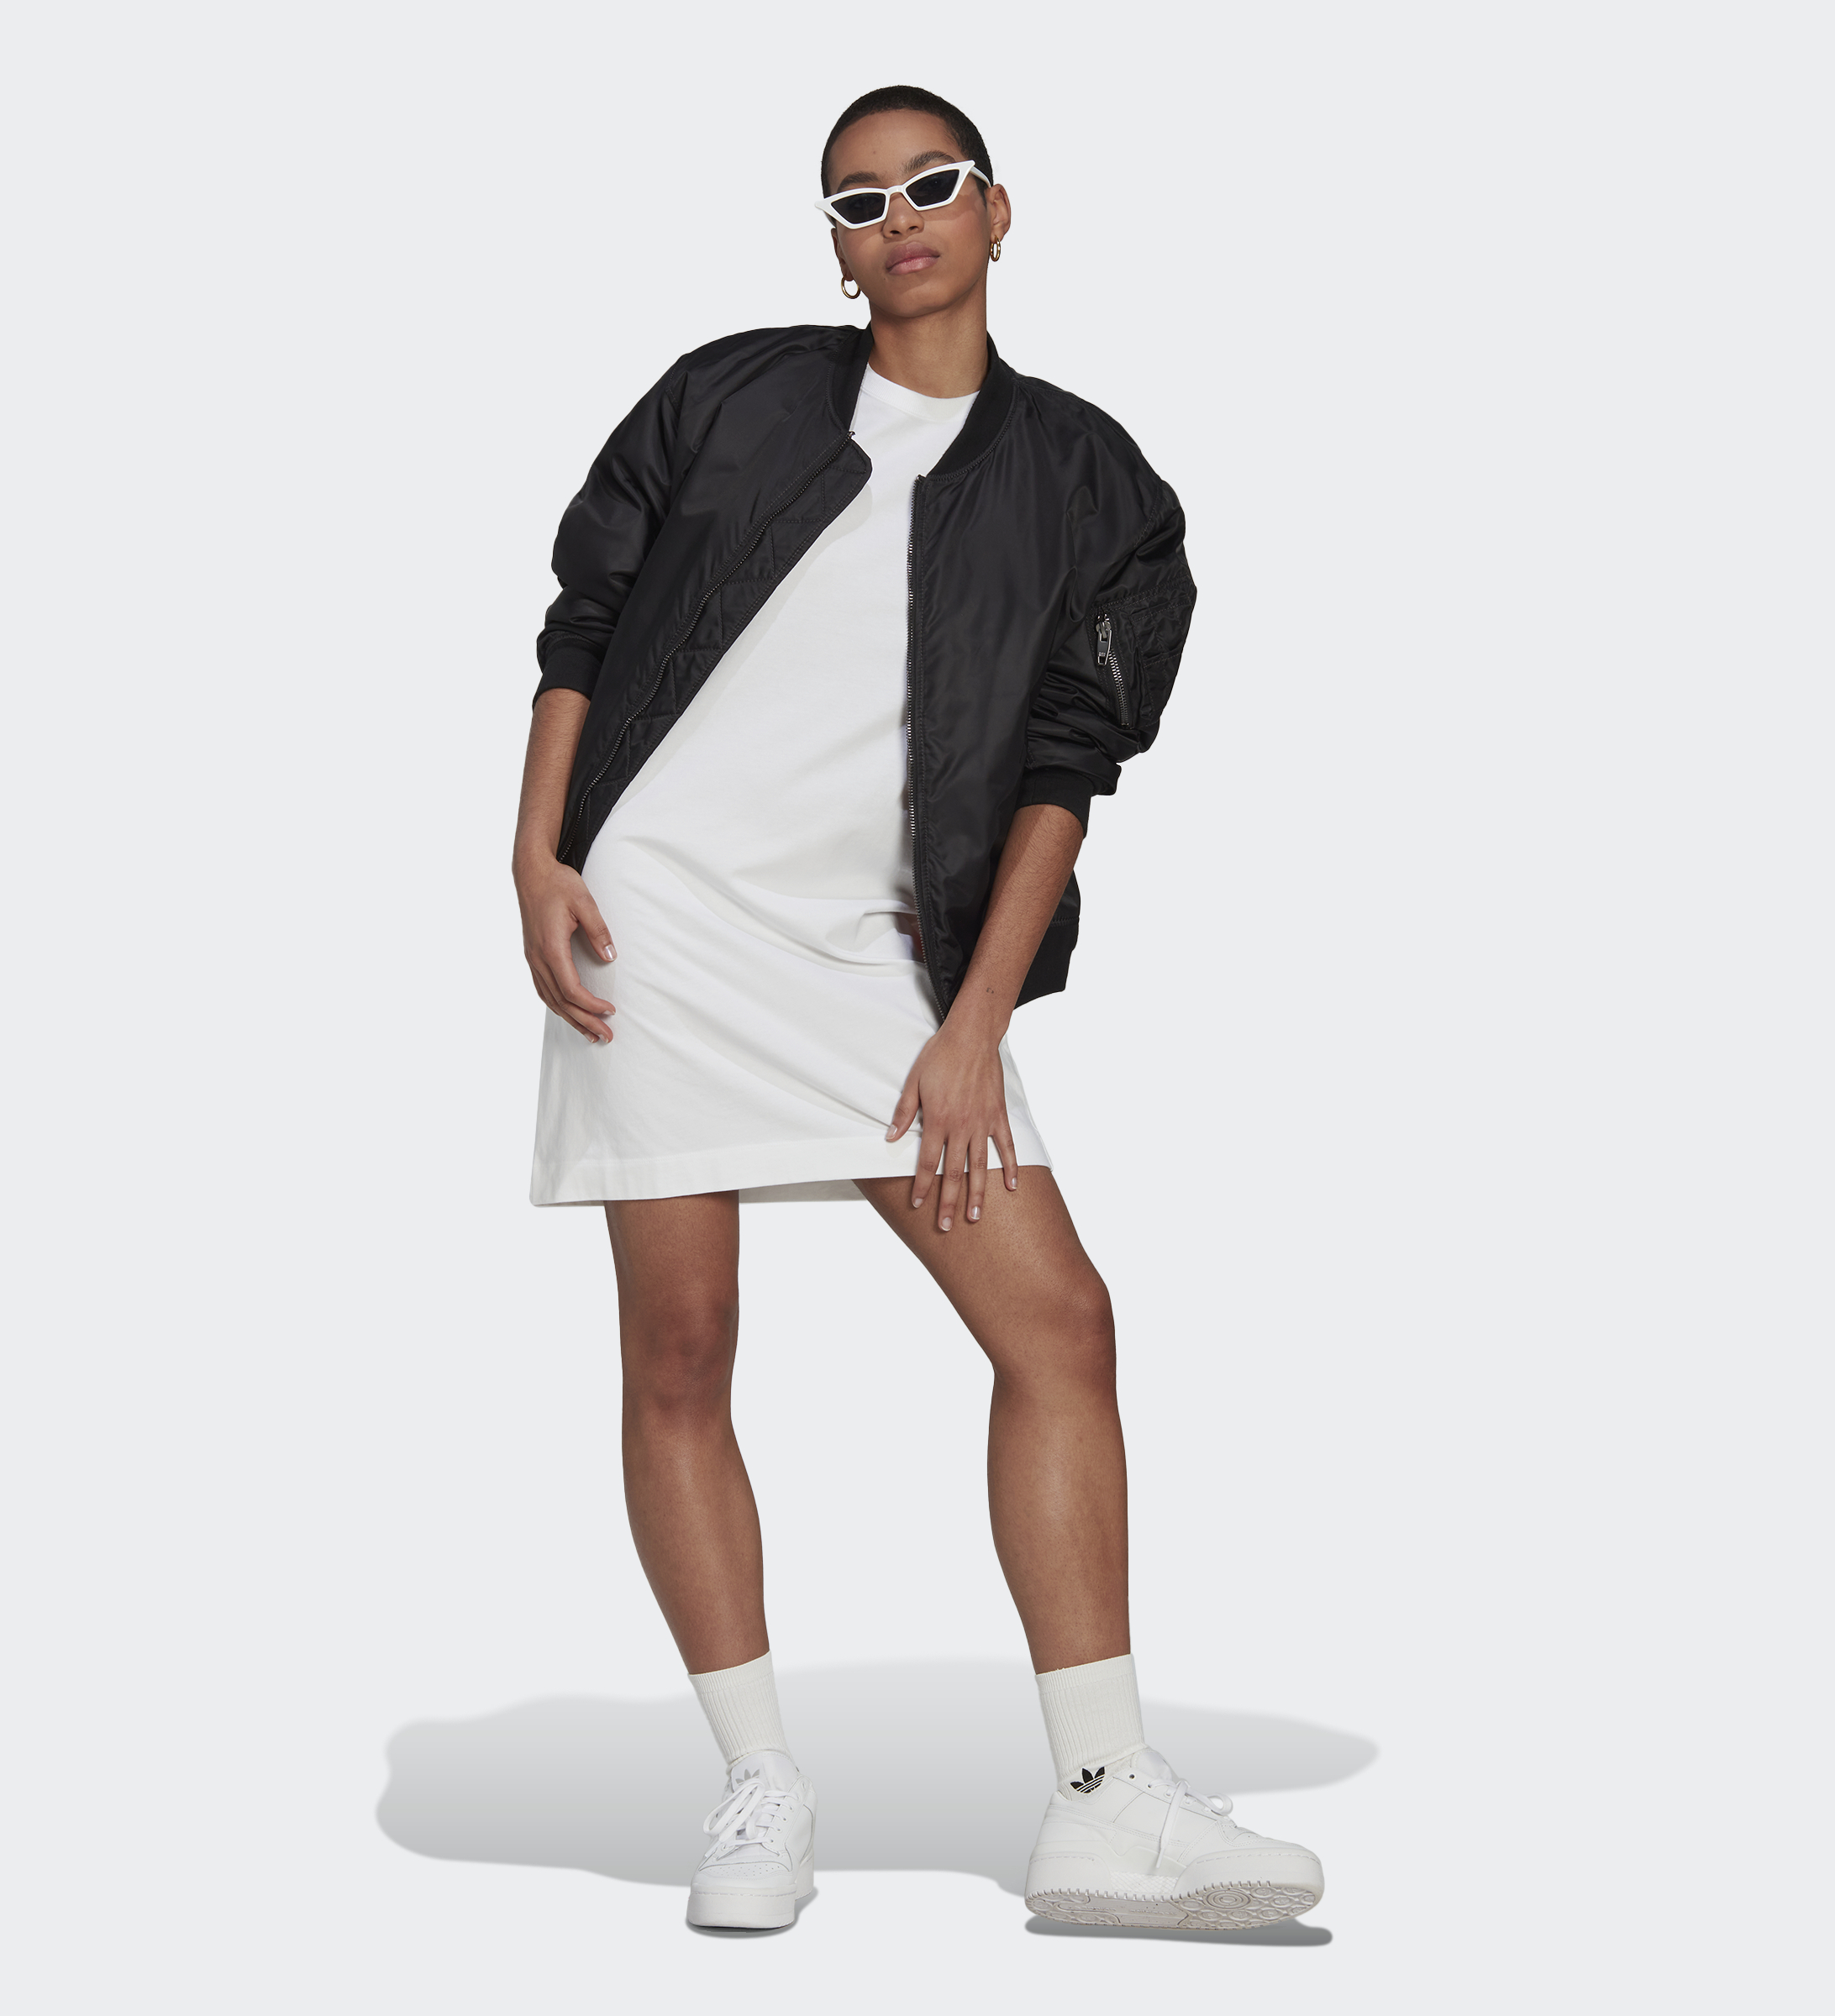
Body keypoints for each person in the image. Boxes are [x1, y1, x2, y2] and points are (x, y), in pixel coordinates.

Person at [513, 84, 1326, 1933]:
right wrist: (535, 854)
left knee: (1060, 1323)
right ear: (835, 242)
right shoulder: (726, 396)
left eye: (933, 183)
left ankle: (1103, 1799)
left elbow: (1067, 763)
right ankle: (759, 1783)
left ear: (999, 210)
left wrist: (974, 1024)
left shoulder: (1092, 480)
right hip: (658, 918)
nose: (902, 219)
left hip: (884, 954)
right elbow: (583, 623)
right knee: (681, 1347)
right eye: (859, 200)